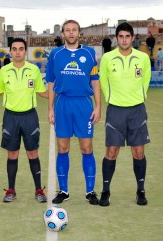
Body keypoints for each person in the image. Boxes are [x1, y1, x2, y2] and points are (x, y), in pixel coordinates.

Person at [45, 19, 101, 205]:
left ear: (79, 33)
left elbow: (95, 80)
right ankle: (64, 191)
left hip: (83, 105)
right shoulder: (55, 54)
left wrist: (98, 106)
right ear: (63, 33)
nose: (71, 33)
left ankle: (90, 192)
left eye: (74, 30)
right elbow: (51, 83)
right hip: (62, 104)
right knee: (63, 148)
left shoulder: (89, 53)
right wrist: (50, 108)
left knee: (87, 148)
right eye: (67, 30)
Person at [99, 22, 151, 207]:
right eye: (120, 36)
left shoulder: (142, 58)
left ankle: (141, 190)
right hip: (115, 111)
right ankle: (105, 191)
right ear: (116, 38)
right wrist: (112, 98)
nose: (124, 39)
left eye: (127, 36)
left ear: (132, 38)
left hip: (137, 110)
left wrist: (138, 98)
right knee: (111, 151)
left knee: (138, 152)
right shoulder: (107, 58)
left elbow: (146, 80)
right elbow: (103, 81)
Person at [0, 38, 48, 203]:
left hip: (29, 117)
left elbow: (42, 92)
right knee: (12, 154)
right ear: (10, 51)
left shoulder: (34, 70)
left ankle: (39, 190)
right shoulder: (4, 71)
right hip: (10, 117)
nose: (17, 52)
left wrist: (60, 92)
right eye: (14, 49)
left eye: (21, 49)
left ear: (25, 51)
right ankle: (11, 190)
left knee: (33, 153)